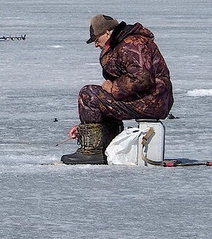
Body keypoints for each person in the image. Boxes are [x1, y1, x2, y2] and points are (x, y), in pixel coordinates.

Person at [61, 15, 173, 165]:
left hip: (151, 101)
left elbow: (142, 78)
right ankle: (105, 145)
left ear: (107, 33)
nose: (96, 44)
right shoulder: (122, 43)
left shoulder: (131, 44)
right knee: (101, 98)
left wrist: (114, 87)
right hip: (148, 99)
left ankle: (93, 150)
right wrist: (85, 127)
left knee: (88, 94)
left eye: (96, 39)